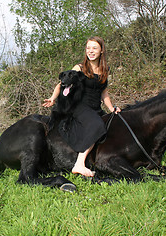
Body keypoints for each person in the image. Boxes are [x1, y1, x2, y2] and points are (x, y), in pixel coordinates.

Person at [43, 36, 121, 177]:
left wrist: (111, 108)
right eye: (88, 48)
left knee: (113, 124)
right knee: (96, 125)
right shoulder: (79, 68)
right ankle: (79, 164)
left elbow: (104, 93)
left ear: (102, 51)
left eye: (94, 48)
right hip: (79, 107)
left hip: (96, 108)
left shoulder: (105, 69)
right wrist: (53, 98)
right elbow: (62, 84)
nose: (90, 51)